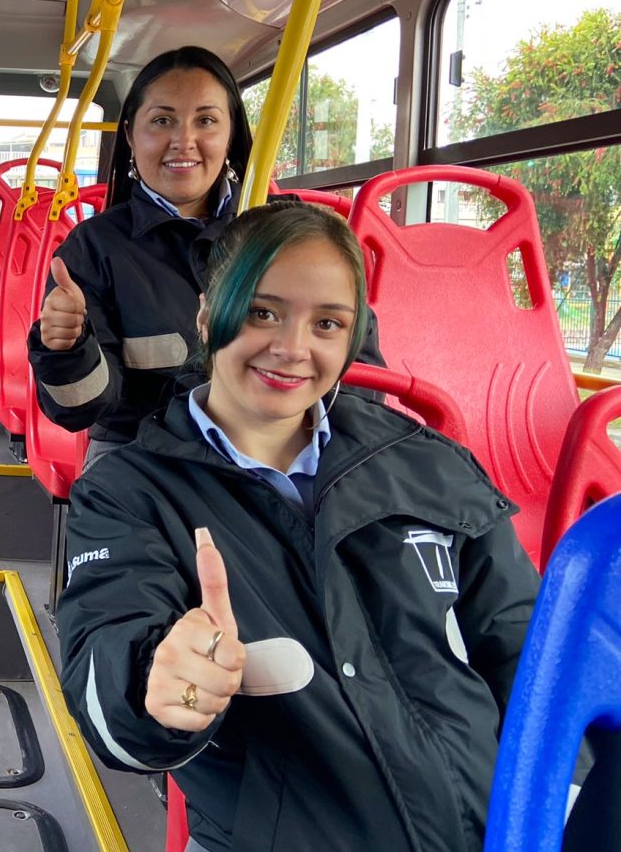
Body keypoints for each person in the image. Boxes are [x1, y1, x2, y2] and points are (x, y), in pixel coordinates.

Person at [57, 202, 551, 852]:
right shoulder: (132, 493)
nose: (293, 348)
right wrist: (156, 682)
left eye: (327, 323)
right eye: (262, 312)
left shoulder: (428, 464)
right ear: (207, 316)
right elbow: (103, 674)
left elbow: (531, 657)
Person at [28, 46, 381, 465]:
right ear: (129, 135)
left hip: (285, 456)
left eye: (206, 121)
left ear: (230, 134)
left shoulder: (296, 237)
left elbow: (359, 376)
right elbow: (83, 408)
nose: (184, 141)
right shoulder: (95, 247)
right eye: (162, 121)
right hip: (145, 459)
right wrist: (67, 349)